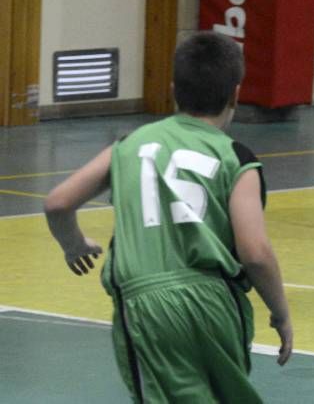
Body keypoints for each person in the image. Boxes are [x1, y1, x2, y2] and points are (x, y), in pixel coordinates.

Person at [44, 31, 292, 402]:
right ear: (236, 94)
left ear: (174, 88)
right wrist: (281, 312)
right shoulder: (237, 157)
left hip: (145, 303)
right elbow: (255, 252)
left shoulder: (130, 145)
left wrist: (74, 245)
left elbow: (58, 203)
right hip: (217, 302)